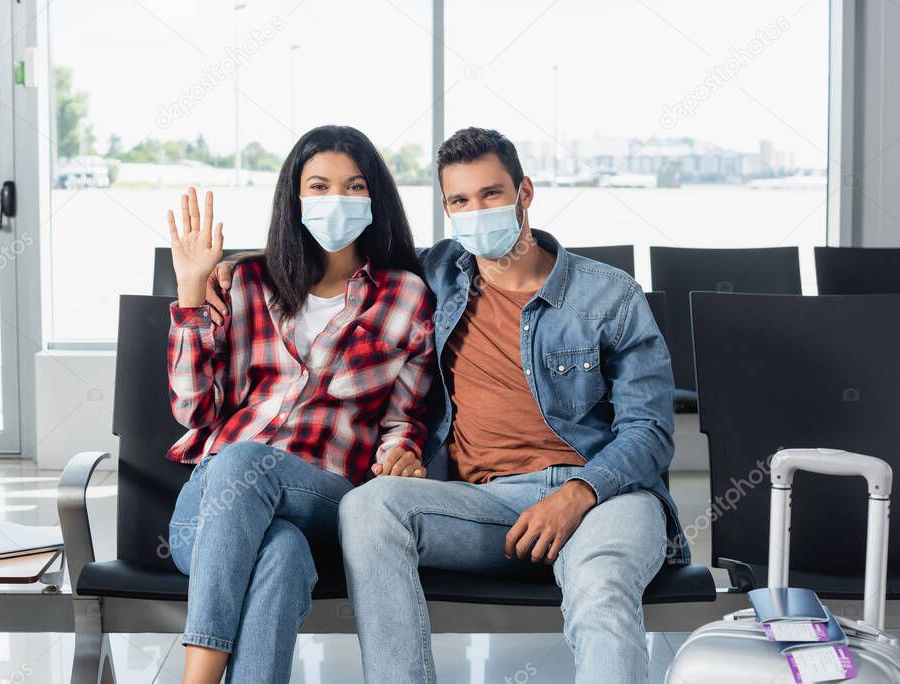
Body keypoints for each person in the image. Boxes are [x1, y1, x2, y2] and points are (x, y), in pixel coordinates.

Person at [208, 127, 689, 683]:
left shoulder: (610, 296)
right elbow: (340, 258)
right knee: (369, 505)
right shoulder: (437, 275)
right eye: (460, 201)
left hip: (605, 496)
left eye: (491, 194)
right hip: (488, 505)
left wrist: (578, 494)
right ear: (446, 208)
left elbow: (650, 432)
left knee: (600, 585)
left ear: (524, 192)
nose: (476, 210)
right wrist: (249, 262)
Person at [165, 124, 435, 684]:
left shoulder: (405, 295)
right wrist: (190, 293)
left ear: (375, 198)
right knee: (281, 556)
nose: (337, 199)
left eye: (354, 186)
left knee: (244, 460)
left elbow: (402, 419)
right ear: (295, 197)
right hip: (214, 507)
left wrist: (400, 457)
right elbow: (195, 412)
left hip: (324, 492)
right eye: (319, 186)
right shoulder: (241, 280)